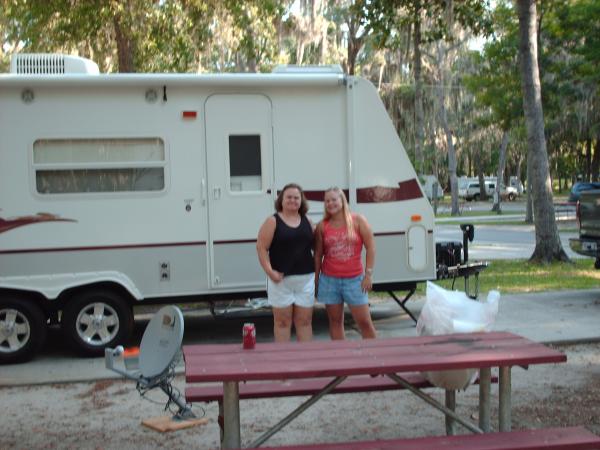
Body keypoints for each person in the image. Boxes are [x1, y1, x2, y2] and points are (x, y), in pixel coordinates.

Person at [314, 187, 377, 339]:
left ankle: (375, 357)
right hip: (329, 281)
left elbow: (371, 247)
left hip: (355, 280)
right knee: (335, 322)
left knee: (365, 323)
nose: (330, 203)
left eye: (334, 199)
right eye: (327, 201)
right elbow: (317, 255)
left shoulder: (358, 220)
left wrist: (368, 275)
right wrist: (316, 281)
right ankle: (340, 359)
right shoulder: (322, 226)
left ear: (342, 200)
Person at [257, 183, 315, 342]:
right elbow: (261, 248)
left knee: (305, 322)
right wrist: (270, 272)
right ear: (281, 200)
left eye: (297, 197)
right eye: (288, 197)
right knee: (282, 323)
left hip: (305, 281)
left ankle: (307, 362)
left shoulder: (307, 221)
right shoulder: (272, 221)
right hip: (281, 281)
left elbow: (317, 247)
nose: (293, 200)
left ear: (301, 201)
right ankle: (284, 361)